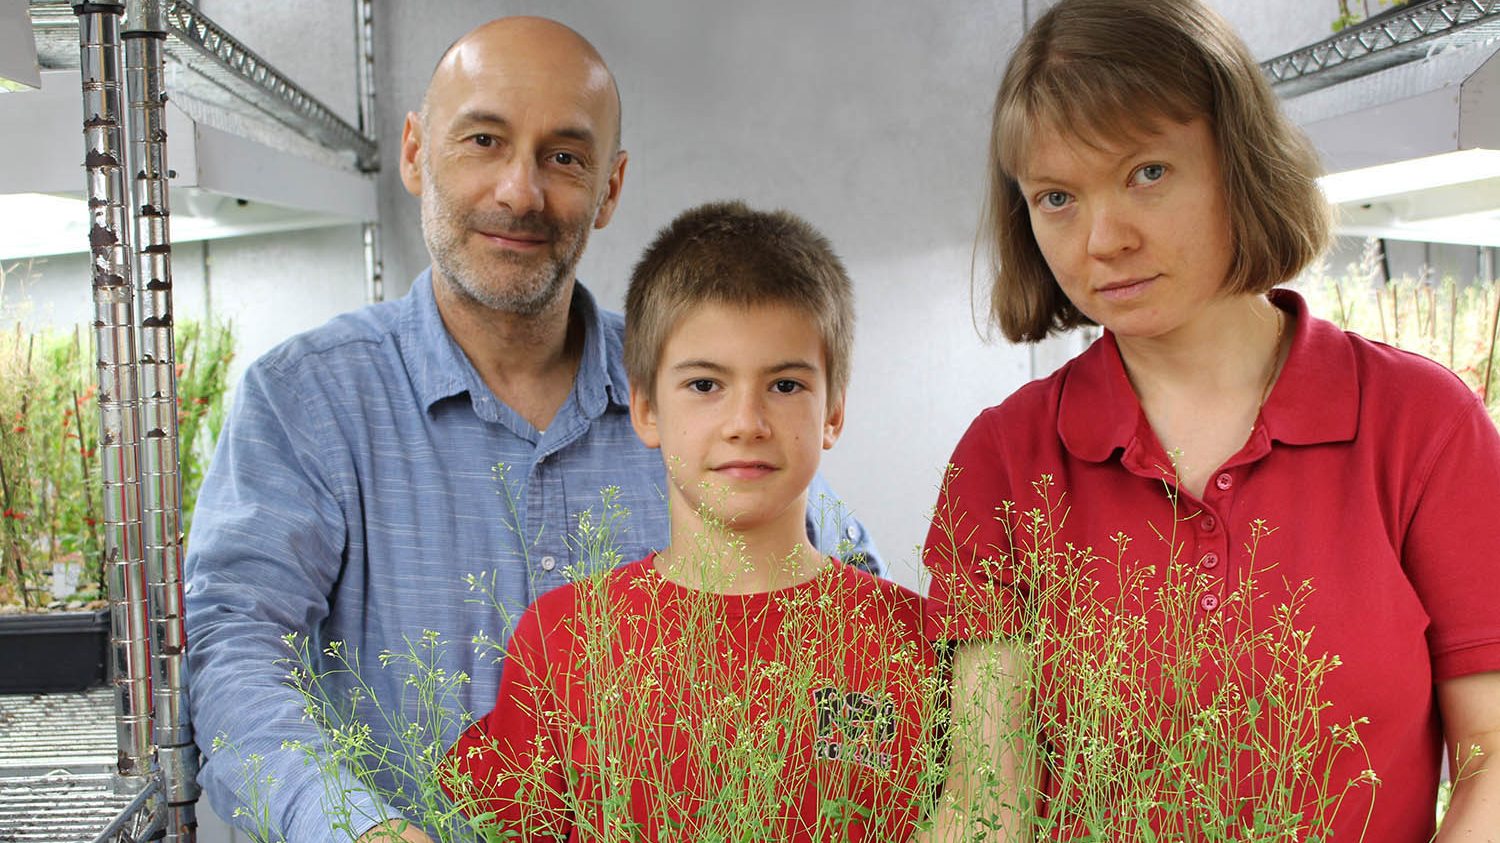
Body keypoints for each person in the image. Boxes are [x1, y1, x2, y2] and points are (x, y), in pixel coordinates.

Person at [183, 20, 880, 843]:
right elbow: (233, 654)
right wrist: (360, 830)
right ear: (414, 153)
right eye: (483, 140)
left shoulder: (697, 389)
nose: (520, 191)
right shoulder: (305, 399)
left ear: (610, 188)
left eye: (564, 157)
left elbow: (843, 600)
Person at [921, 0, 1500, 840]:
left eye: (1147, 172)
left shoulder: (1424, 425)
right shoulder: (1003, 460)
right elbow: (987, 801)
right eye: (1056, 197)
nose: (1103, 238)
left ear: (1240, 163)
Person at [441, 201, 937, 841]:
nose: (746, 422)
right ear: (645, 408)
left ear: (833, 413)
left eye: (785, 386)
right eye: (706, 385)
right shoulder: (564, 641)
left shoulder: (918, 640)